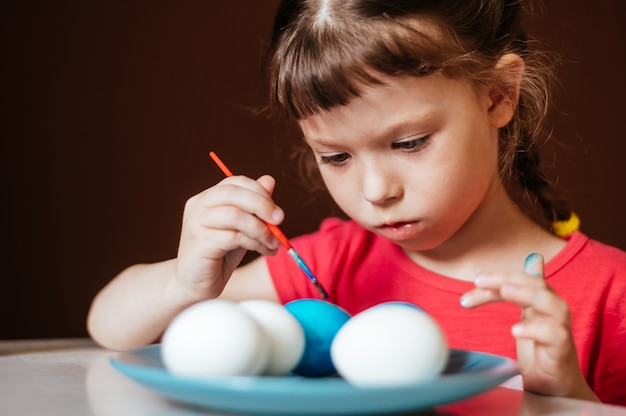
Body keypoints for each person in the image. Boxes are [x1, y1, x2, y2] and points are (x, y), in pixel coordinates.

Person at [87, 0, 626, 405]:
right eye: (337, 157)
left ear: (497, 95)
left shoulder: (608, 294)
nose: (376, 192)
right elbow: (110, 326)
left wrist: (566, 399)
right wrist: (184, 283)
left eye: (410, 143)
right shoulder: (333, 264)